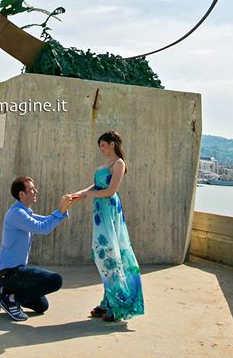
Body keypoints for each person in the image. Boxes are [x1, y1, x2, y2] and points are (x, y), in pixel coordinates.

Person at [72, 130, 144, 322]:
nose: (102, 149)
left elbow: (111, 191)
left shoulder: (119, 163)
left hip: (109, 212)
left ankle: (118, 303)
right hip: (99, 214)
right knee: (102, 255)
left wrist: (88, 195)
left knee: (112, 255)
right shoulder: (102, 166)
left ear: (112, 144)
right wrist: (79, 194)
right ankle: (108, 300)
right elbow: (95, 186)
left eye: (103, 145)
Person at [0, 175, 72, 321]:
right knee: (55, 280)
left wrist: (63, 210)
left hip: (13, 274)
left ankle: (0, 290)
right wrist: (60, 210)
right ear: (22, 194)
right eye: (32, 189)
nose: (36, 191)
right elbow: (43, 228)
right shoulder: (17, 214)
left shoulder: (25, 212)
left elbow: (44, 220)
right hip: (10, 273)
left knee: (42, 306)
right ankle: (11, 300)